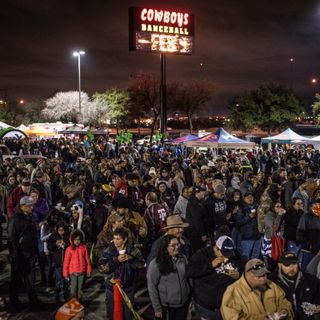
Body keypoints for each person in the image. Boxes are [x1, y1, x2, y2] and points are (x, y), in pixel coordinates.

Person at [221, 258, 294, 319]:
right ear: (247, 274)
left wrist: (285, 310)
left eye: (265, 274)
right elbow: (232, 318)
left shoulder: (272, 285)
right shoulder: (233, 291)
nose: (263, 279)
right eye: (259, 275)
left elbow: (283, 301)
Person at [186, 235, 239, 320]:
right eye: (224, 254)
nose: (227, 257)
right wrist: (210, 265)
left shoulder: (233, 257)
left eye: (229, 254)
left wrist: (237, 275)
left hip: (224, 304)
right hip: (205, 305)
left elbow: (241, 268)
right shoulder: (202, 254)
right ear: (216, 248)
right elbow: (190, 271)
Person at [98, 227, 145, 320]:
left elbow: (142, 264)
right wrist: (116, 261)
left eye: (118, 239)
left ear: (125, 240)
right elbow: (102, 268)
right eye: (114, 238)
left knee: (128, 314)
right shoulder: (108, 251)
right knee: (113, 314)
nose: (115, 241)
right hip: (112, 288)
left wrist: (130, 259)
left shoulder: (132, 250)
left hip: (128, 288)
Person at [147, 235, 190, 320]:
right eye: (173, 245)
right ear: (165, 247)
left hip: (183, 305)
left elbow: (188, 279)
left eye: (178, 244)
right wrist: (157, 308)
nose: (177, 247)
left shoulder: (183, 258)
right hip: (167, 307)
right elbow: (152, 287)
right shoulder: (156, 264)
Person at [7, 196, 39, 307]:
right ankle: (14, 301)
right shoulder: (15, 219)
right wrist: (15, 255)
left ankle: (33, 300)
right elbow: (12, 239)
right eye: (29, 205)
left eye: (32, 205)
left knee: (30, 277)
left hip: (30, 253)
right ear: (22, 206)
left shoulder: (30, 217)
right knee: (17, 279)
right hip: (20, 255)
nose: (32, 207)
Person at [270, 251, 320, 319]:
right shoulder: (272, 282)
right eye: (287, 264)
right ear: (279, 265)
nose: (291, 268)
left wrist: (317, 308)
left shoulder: (311, 280)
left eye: (294, 263)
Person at [62, 229, 92, 300]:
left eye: (78, 239)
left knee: (80, 290)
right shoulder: (69, 249)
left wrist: (89, 270)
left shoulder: (84, 248)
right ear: (72, 240)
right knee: (73, 289)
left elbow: (87, 260)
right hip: (73, 272)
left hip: (81, 272)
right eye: (75, 239)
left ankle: (79, 304)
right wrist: (65, 274)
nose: (77, 241)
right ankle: (73, 304)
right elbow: (66, 262)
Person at [296, 200, 320, 270]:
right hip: (309, 252)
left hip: (318, 252)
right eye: (316, 204)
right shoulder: (306, 217)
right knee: (307, 272)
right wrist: (310, 246)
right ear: (312, 205)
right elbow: (299, 235)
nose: (318, 206)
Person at [185, 186, 208, 253]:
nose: (204, 193)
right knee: (199, 251)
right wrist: (202, 234)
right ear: (197, 193)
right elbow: (197, 220)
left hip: (197, 232)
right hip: (196, 234)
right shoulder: (193, 203)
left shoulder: (198, 202)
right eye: (202, 191)